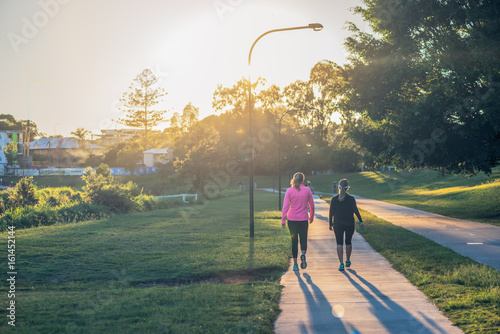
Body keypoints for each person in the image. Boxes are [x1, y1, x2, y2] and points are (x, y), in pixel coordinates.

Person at [282, 172, 315, 271]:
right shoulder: (307, 190)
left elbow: (285, 206)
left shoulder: (289, 191)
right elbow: (311, 205)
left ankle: (295, 265)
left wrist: (283, 219)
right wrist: (312, 216)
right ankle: (303, 253)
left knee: (294, 241)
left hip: (292, 220)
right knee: (303, 239)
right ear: (302, 180)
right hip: (303, 219)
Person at [329, 179, 364, 271]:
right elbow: (355, 210)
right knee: (348, 242)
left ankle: (341, 263)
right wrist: (360, 221)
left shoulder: (334, 199)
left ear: (339, 187)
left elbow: (331, 212)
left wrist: (330, 223)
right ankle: (348, 260)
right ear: (348, 187)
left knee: (339, 243)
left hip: (338, 223)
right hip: (349, 223)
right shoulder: (351, 199)